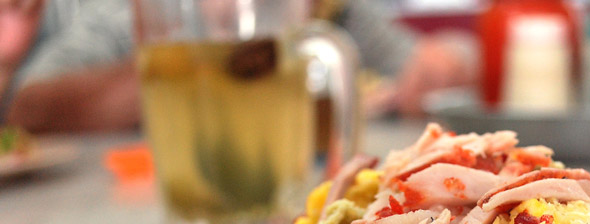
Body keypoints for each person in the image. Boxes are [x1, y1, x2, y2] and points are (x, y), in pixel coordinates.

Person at [1, 0, 478, 133]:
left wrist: (452, 58)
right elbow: (27, 104)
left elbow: (432, 60)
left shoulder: (335, 13)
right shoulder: (143, 13)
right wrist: (205, 64)